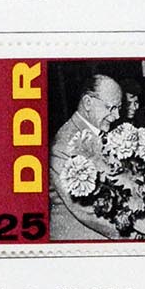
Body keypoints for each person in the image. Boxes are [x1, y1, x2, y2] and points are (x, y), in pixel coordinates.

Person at [48, 72, 126, 240]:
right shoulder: (64, 145)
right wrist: (135, 236)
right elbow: (89, 211)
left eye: (119, 108)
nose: (117, 116)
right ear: (88, 103)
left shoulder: (100, 132)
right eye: (111, 108)